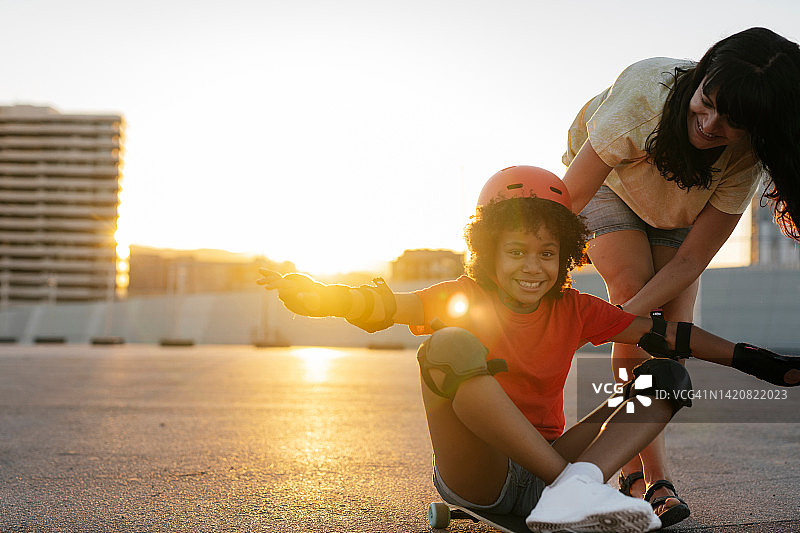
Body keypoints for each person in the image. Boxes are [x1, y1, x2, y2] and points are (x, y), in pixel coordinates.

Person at [258, 166, 800, 533]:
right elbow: (386, 307)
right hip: (482, 474)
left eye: (547, 252)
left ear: (565, 257)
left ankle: (574, 489)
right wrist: (320, 296)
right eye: (516, 251)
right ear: (487, 252)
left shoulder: (573, 306)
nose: (532, 266)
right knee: (448, 343)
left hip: (549, 467)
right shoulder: (461, 298)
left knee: (666, 376)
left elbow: (667, 335)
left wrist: (760, 362)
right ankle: (578, 487)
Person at [561, 27, 800, 526]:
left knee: (667, 339)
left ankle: (636, 477)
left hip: (677, 212)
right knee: (631, 293)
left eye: (732, 122)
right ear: (701, 73)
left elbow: (691, 261)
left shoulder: (746, 156)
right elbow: (571, 199)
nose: (710, 124)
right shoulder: (646, 94)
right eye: (705, 103)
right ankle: (648, 478)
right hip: (613, 188)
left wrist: (621, 326)